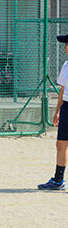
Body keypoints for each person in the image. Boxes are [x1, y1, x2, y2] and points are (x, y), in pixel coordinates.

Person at [38, 33, 68, 190]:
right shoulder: (66, 65)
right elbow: (63, 90)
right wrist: (57, 111)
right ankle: (58, 181)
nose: (65, 47)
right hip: (67, 108)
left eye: (67, 44)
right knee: (61, 144)